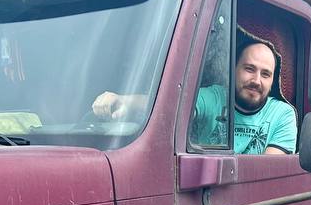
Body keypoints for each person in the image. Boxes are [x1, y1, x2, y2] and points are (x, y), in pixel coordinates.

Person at [93, 37, 296, 154]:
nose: (257, 80)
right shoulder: (214, 98)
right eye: (249, 69)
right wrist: (125, 100)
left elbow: (265, 176)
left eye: (265, 74)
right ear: (233, 70)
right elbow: (174, 103)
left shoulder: (282, 114)